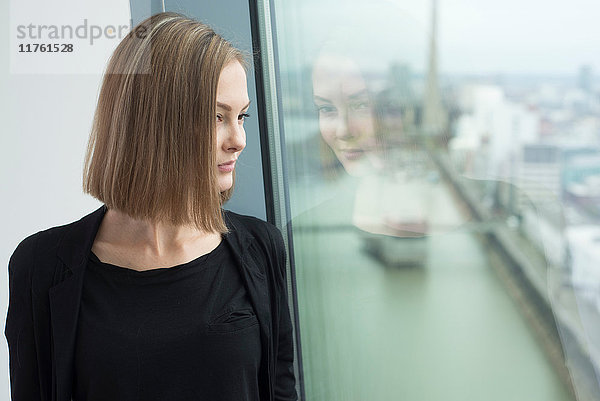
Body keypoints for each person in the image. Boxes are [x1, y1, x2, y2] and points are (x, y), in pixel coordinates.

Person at [4, 12, 296, 401]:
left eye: (241, 116)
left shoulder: (261, 248)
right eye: (217, 117)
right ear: (154, 123)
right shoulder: (41, 265)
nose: (238, 139)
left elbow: (281, 391)